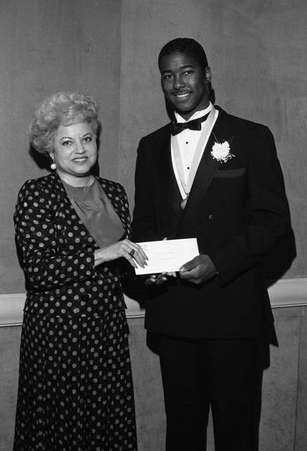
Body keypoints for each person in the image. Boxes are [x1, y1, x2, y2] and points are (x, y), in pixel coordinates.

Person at [132, 38, 290, 451]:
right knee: (181, 431)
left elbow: (273, 222)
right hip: (174, 313)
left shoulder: (251, 136)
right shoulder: (149, 147)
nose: (178, 82)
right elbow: (144, 222)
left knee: (236, 432)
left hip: (232, 311)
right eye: (168, 74)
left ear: (207, 75)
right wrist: (151, 265)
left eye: (187, 71)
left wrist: (218, 262)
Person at [13, 91, 147, 451]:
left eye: (86, 138)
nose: (80, 149)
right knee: (61, 432)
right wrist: (102, 254)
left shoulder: (115, 194)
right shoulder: (38, 195)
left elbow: (124, 265)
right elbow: (39, 271)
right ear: (50, 151)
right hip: (58, 337)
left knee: (106, 427)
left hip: (106, 335)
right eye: (67, 142)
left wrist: (153, 272)